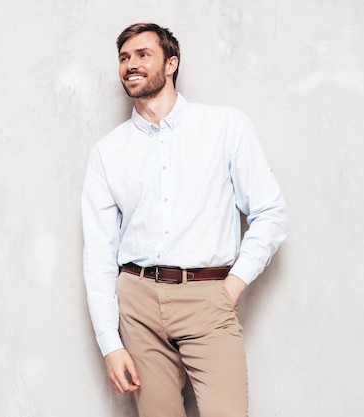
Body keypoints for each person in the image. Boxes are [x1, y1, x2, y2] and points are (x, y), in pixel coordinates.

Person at [81, 23, 287, 417]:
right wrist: (110, 342)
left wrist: (231, 288)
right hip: (136, 303)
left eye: (143, 54)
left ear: (171, 63)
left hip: (208, 296)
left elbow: (270, 213)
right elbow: (99, 253)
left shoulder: (225, 127)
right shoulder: (108, 152)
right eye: (124, 58)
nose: (130, 64)